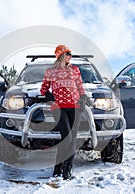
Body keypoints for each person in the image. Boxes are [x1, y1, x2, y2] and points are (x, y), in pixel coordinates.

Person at [40, 45, 87, 180]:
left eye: (71, 54)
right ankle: (58, 167)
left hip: (75, 106)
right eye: (68, 54)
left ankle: (65, 171)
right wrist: (51, 100)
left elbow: (80, 87)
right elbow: (43, 89)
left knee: (72, 138)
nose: (70, 57)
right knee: (67, 137)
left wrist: (83, 98)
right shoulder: (50, 71)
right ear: (60, 55)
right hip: (59, 108)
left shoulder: (75, 70)